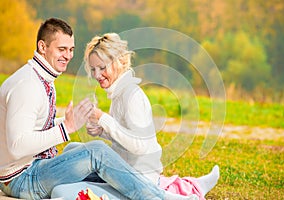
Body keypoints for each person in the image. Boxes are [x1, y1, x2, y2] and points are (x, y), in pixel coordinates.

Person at [0, 18, 198, 200]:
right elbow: (18, 146)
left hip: (28, 170)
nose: (68, 56)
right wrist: (67, 127)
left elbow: (33, 128)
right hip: (22, 179)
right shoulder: (28, 85)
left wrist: (72, 121)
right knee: (97, 152)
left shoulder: (39, 78)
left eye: (71, 49)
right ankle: (159, 198)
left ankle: (159, 194)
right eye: (62, 49)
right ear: (42, 47)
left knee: (79, 150)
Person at [54, 33, 220, 199]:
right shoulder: (118, 94)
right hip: (120, 169)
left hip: (136, 179)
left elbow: (139, 145)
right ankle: (191, 186)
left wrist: (103, 119)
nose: (97, 75)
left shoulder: (132, 96)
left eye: (102, 68)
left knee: (62, 190)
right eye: (93, 69)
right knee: (72, 150)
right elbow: (123, 137)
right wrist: (100, 130)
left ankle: (172, 195)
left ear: (120, 62)